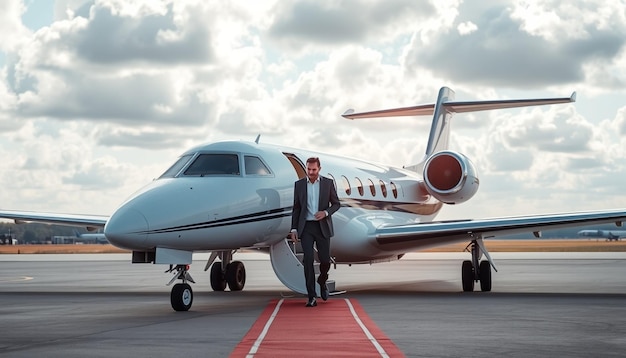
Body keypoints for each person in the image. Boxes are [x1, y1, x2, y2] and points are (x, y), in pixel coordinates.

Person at [288, 157, 341, 307]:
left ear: (319, 169)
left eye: (314, 170)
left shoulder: (327, 184)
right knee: (308, 261)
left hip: (322, 226)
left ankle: (322, 281)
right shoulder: (298, 185)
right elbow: (296, 208)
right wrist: (294, 228)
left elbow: (336, 204)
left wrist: (325, 212)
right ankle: (311, 296)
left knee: (325, 261)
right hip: (306, 228)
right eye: (308, 169)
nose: (310, 172)